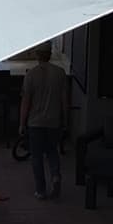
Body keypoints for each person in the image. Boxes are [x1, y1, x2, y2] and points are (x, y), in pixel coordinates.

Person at [19, 43, 68, 199]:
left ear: (37, 54)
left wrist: (22, 123)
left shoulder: (31, 75)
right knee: (52, 151)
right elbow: (64, 101)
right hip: (54, 121)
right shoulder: (60, 73)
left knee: (36, 156)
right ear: (50, 54)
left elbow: (26, 102)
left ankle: (40, 190)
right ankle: (55, 176)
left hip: (35, 122)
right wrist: (65, 120)